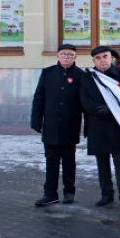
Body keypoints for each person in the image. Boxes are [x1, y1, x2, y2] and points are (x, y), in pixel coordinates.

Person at [82, 45, 120, 209]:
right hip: (97, 125)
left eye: (105, 57)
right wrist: (98, 110)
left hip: (117, 124)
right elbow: (85, 100)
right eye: (98, 58)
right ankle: (106, 195)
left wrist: (111, 109)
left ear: (111, 58)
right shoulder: (88, 77)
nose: (102, 60)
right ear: (93, 61)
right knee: (102, 163)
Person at [31, 44, 83, 207]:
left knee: (69, 160)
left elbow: (85, 102)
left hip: (71, 125)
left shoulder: (80, 75)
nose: (66, 57)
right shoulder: (48, 73)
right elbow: (39, 98)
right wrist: (36, 120)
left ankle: (69, 191)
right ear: (57, 56)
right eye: (63, 54)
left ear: (75, 57)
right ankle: (50, 193)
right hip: (51, 126)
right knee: (51, 161)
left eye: (70, 54)